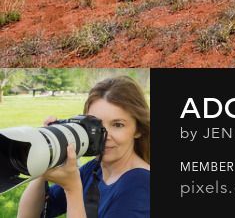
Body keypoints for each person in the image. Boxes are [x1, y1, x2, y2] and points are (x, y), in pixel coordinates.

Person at [17, 76, 150, 218]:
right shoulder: (94, 170)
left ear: (138, 129)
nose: (104, 136)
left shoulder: (141, 184)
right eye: (96, 125)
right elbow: (29, 215)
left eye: (118, 125)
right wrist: (47, 158)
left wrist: (72, 189)